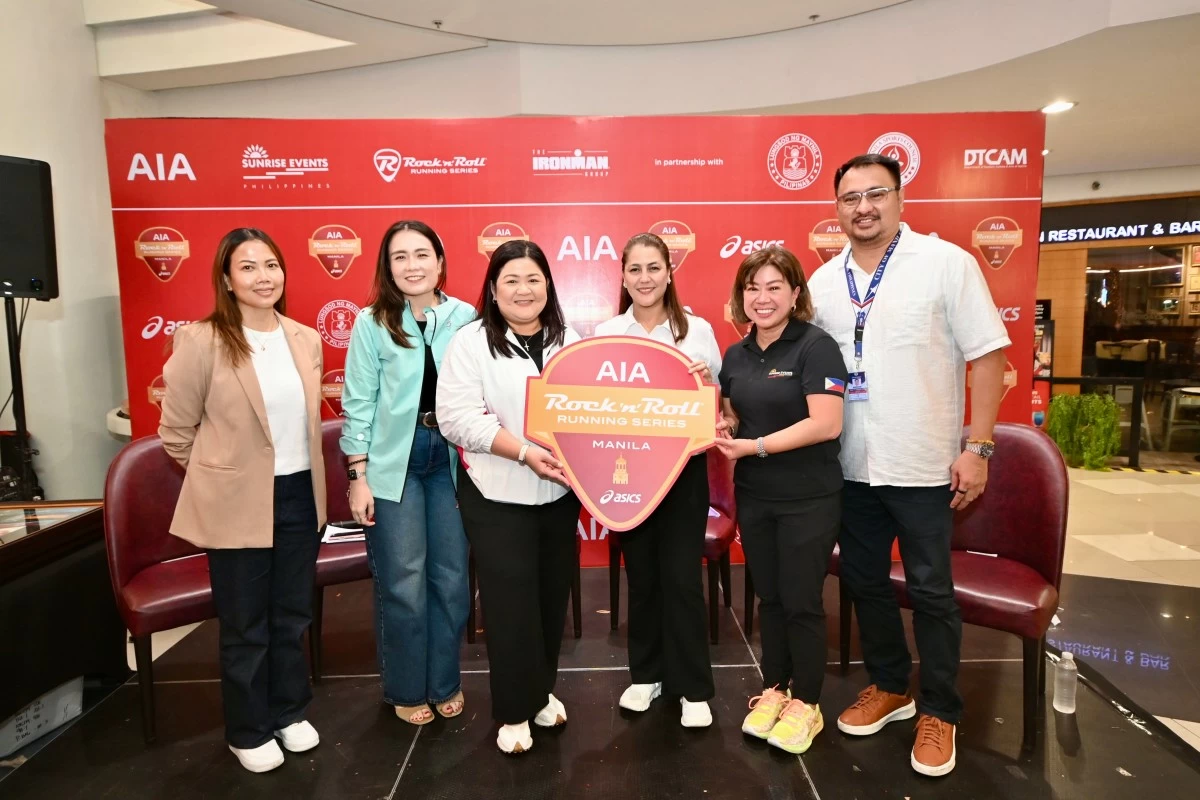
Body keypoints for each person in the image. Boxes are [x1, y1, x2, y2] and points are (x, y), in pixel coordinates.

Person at [808, 153, 1010, 777]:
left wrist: (977, 449)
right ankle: (891, 686)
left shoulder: (947, 264)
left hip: (925, 464)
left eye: (875, 194)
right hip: (849, 465)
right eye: (849, 198)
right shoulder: (820, 284)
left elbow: (987, 360)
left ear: (899, 197)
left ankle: (941, 710)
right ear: (836, 208)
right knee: (865, 582)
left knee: (931, 591)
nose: (862, 207)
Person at [159, 228, 326, 774]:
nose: (263, 277)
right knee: (244, 623)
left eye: (272, 265)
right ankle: (248, 728)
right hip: (237, 502)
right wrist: (224, 477)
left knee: (292, 612)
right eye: (248, 267)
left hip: (300, 493)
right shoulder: (202, 340)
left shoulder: (303, 338)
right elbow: (177, 433)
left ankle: (288, 711)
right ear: (227, 280)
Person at [436, 239, 583, 754]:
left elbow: (596, 411)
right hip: (495, 491)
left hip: (560, 493)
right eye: (511, 280)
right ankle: (514, 711)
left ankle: (541, 692)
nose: (524, 290)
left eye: (534, 279)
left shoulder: (571, 341)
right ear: (493, 289)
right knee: (509, 603)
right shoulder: (471, 341)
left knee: (549, 597)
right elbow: (456, 417)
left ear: (548, 285)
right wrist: (522, 452)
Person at [340, 220, 476, 726]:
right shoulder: (370, 321)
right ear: (387, 266)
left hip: (451, 459)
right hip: (392, 462)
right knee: (403, 580)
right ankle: (404, 687)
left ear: (440, 261)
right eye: (400, 257)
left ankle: (444, 682)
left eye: (422, 254)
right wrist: (358, 475)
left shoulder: (467, 317)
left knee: (451, 578)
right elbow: (357, 402)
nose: (412, 265)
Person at [713, 246, 847, 756]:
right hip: (756, 494)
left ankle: (807, 703)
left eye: (774, 287)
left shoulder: (817, 347)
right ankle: (776, 688)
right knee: (768, 597)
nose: (762, 298)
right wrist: (726, 426)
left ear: (795, 294)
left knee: (801, 600)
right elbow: (733, 414)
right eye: (752, 287)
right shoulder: (736, 354)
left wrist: (755, 446)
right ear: (741, 296)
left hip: (808, 497)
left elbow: (827, 423)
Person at [592, 232, 722, 728]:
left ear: (669, 272)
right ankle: (645, 677)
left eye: (653, 268)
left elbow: (716, 407)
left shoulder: (699, 331)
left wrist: (705, 382)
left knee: (682, 579)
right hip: (627, 473)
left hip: (683, 471)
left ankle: (693, 688)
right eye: (635, 269)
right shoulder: (606, 331)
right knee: (642, 577)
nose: (644, 278)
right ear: (623, 276)